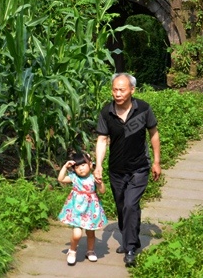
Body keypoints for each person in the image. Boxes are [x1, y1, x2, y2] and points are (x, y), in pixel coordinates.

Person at [94, 73, 161, 267]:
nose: (117, 93)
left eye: (122, 90)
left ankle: (130, 247)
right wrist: (98, 166)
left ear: (132, 90)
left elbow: (154, 134)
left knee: (131, 204)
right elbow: (101, 140)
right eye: (115, 89)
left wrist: (157, 161)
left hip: (139, 167)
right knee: (123, 206)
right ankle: (129, 238)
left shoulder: (143, 109)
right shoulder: (107, 112)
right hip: (116, 169)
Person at [57, 150, 108, 265]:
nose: (81, 168)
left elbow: (102, 191)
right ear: (74, 169)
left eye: (83, 165)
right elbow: (60, 179)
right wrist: (65, 167)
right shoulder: (74, 178)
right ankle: (72, 250)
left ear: (90, 164)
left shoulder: (93, 177)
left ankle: (90, 251)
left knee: (90, 233)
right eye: (77, 167)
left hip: (91, 210)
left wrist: (100, 183)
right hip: (77, 210)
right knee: (77, 234)